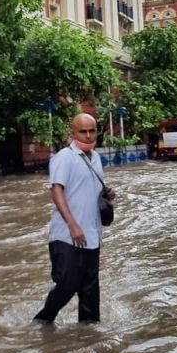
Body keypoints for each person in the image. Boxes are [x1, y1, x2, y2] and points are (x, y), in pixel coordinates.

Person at [33, 113, 115, 325]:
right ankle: (42, 322)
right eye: (83, 131)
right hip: (66, 235)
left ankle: (89, 334)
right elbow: (56, 190)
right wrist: (72, 225)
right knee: (67, 284)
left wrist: (106, 195)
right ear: (73, 132)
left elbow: (88, 190)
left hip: (92, 235)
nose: (88, 136)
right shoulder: (64, 157)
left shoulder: (96, 158)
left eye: (92, 131)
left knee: (90, 290)